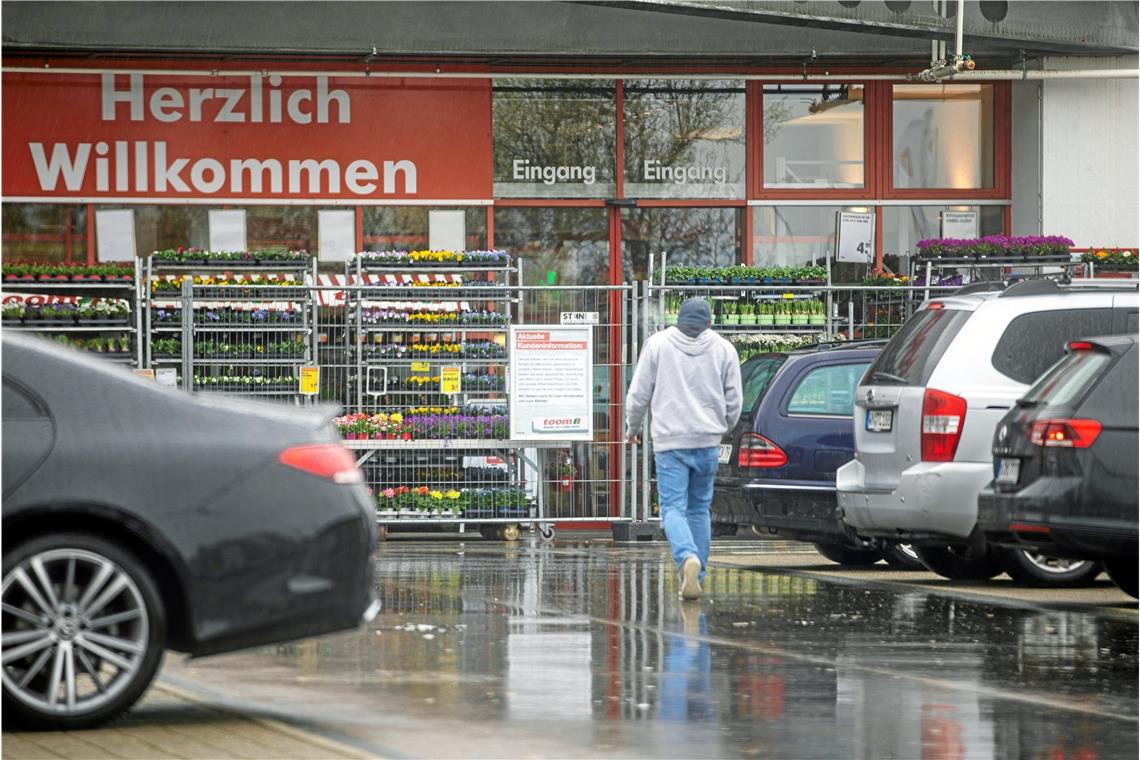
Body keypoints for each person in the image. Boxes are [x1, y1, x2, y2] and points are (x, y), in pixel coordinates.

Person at [625, 297, 742, 600]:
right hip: (707, 442)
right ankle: (697, 575)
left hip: (670, 442)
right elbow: (735, 400)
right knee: (699, 509)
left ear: (678, 318)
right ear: (709, 322)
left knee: (673, 509)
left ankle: (686, 557)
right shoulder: (724, 349)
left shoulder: (658, 344)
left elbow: (639, 393)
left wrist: (633, 428)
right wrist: (723, 428)